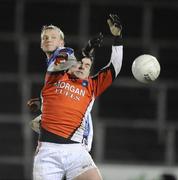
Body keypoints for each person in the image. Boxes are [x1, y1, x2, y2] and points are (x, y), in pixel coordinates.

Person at [32, 14, 123, 180]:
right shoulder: (57, 76)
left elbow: (114, 67)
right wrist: (86, 50)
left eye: (87, 65)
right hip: (48, 152)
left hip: (76, 151)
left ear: (90, 70)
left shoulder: (92, 86)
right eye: (79, 63)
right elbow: (62, 61)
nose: (82, 66)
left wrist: (117, 37)